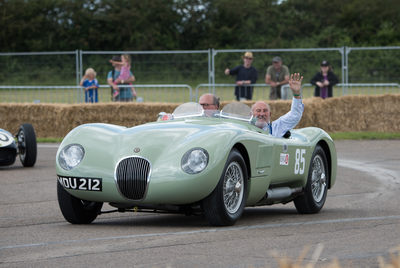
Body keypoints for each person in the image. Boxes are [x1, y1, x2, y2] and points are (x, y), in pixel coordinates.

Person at [252, 73, 304, 137]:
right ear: (251, 114)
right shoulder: (243, 128)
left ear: (270, 114)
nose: (262, 114)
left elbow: (295, 115)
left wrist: (296, 94)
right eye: (258, 111)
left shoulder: (276, 127)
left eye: (265, 111)